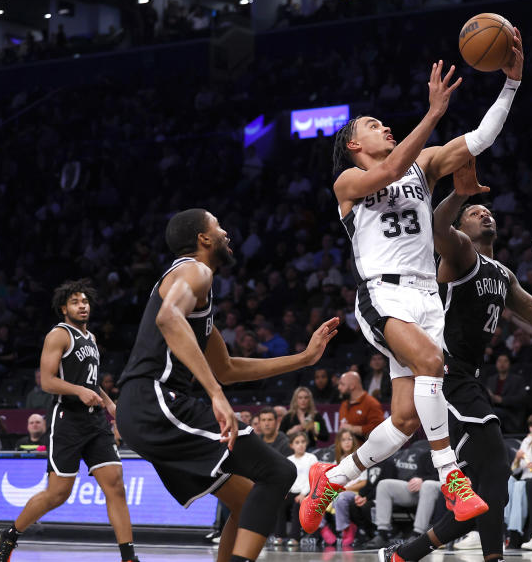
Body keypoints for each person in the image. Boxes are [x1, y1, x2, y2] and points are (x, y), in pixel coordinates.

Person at [302, 39, 524, 534]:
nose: (384, 125)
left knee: (406, 419)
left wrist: (511, 82)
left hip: (426, 296)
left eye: (385, 122)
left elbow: (481, 138)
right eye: (371, 125)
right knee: (432, 364)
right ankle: (452, 478)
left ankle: (330, 478)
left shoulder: (422, 164)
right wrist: (433, 112)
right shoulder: (346, 184)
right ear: (354, 145)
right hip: (382, 293)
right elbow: (390, 170)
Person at [115, 209, 339, 562]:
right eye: (218, 227)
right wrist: (216, 397)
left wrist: (304, 359)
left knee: (247, 498)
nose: (227, 234)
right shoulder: (196, 269)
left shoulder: (198, 296)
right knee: (280, 471)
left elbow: (229, 368)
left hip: (145, 407)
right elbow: (168, 317)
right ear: (203, 239)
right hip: (156, 400)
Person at [379, 156, 532, 562]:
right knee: (495, 466)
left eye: (487, 211)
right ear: (462, 227)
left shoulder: (503, 274)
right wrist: (459, 194)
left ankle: (404, 555)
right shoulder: (461, 255)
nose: (484, 214)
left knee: (485, 488)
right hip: (443, 373)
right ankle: (490, 558)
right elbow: (435, 227)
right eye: (475, 212)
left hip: (467, 378)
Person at [0, 280, 138, 562]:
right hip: (67, 420)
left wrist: (108, 402)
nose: (82, 306)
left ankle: (129, 557)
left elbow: (91, 382)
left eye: (85, 301)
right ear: (63, 308)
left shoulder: (92, 338)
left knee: (115, 484)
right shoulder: (58, 335)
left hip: (95, 423)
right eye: (75, 302)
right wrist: (79, 391)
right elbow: (47, 381)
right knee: (58, 494)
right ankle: (9, 535)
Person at [321, 428, 368, 547]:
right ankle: (322, 528)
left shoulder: (360, 459)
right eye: (343, 440)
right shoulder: (336, 461)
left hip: (353, 492)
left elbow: (363, 482)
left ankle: (347, 528)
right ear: (339, 443)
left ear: (353, 442)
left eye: (349, 439)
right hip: (337, 491)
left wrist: (345, 489)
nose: (347, 442)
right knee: (316, 498)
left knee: (340, 497)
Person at [274, 431, 318, 547]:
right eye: (297, 442)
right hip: (292, 491)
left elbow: (313, 479)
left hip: (307, 492)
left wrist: (303, 494)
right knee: (280, 504)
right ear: (291, 445)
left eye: (303, 442)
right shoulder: (289, 459)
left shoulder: (311, 458)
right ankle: (279, 536)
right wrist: (284, 492)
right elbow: (285, 478)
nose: (301, 445)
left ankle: (294, 538)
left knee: (297, 506)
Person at [337, 370, 385, 439]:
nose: (339, 387)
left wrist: (353, 429)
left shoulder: (372, 404)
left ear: (352, 386)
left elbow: (379, 430)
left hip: (366, 448)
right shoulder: (344, 404)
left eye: (342, 384)